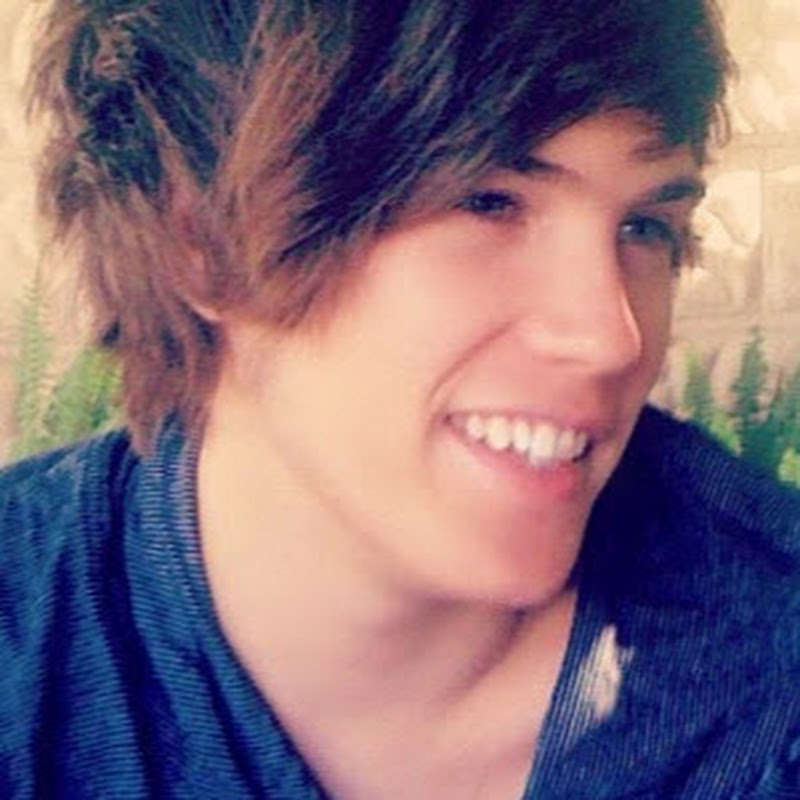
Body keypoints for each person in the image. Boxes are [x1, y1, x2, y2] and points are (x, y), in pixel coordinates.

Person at [2, 0, 798, 797]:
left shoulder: (768, 682)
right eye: (488, 201)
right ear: (202, 243)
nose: (612, 338)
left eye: (646, 227)